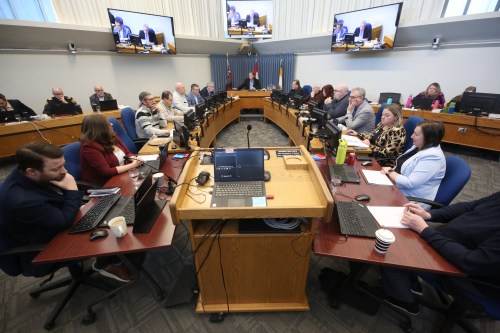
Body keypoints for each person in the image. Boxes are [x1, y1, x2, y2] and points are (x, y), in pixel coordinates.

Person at [380, 191, 500, 315]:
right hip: (450, 244)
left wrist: (424, 230)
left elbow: (470, 262)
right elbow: (470, 207)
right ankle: (410, 284)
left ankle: (403, 300)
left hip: (469, 277)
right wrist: (428, 215)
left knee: (393, 251)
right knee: (404, 238)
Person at [0, 142, 83, 277]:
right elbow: (63, 222)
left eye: (63, 164)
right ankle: (110, 265)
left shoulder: (25, 174)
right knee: (109, 237)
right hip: (44, 247)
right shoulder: (23, 201)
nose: (65, 171)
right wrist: (72, 189)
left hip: (48, 224)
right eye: (56, 168)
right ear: (31, 171)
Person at [381, 120, 446, 208]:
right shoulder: (419, 146)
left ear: (428, 138)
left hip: (410, 200)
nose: (412, 136)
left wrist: (390, 171)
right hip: (397, 188)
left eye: (416, 134)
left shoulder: (433, 157)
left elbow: (410, 183)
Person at [80, 114, 142, 186]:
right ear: (100, 129)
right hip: (105, 184)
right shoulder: (89, 147)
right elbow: (106, 171)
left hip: (123, 175)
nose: (111, 124)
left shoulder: (112, 136)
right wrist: (132, 165)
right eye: (108, 124)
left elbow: (127, 153)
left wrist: (135, 159)